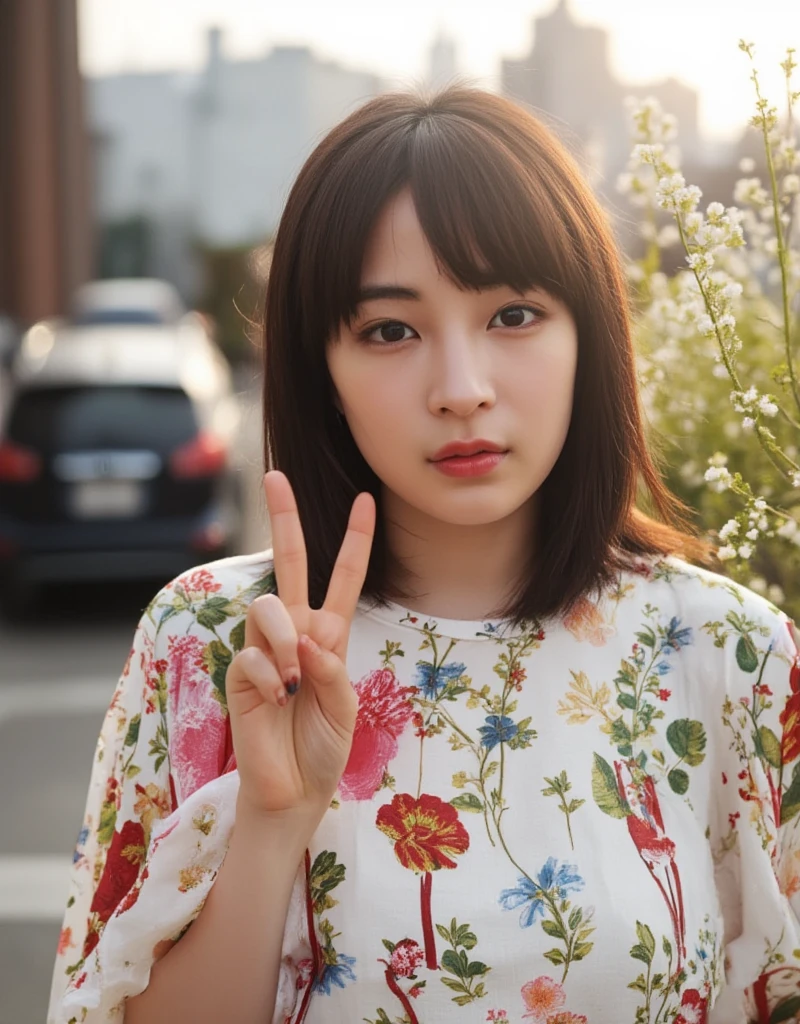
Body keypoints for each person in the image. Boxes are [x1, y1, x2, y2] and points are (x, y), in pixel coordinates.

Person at [48, 86, 800, 1024]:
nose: (461, 388)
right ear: (320, 370)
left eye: (515, 314)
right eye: (390, 331)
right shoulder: (216, 644)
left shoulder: (730, 655)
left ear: (592, 335)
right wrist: (272, 823)